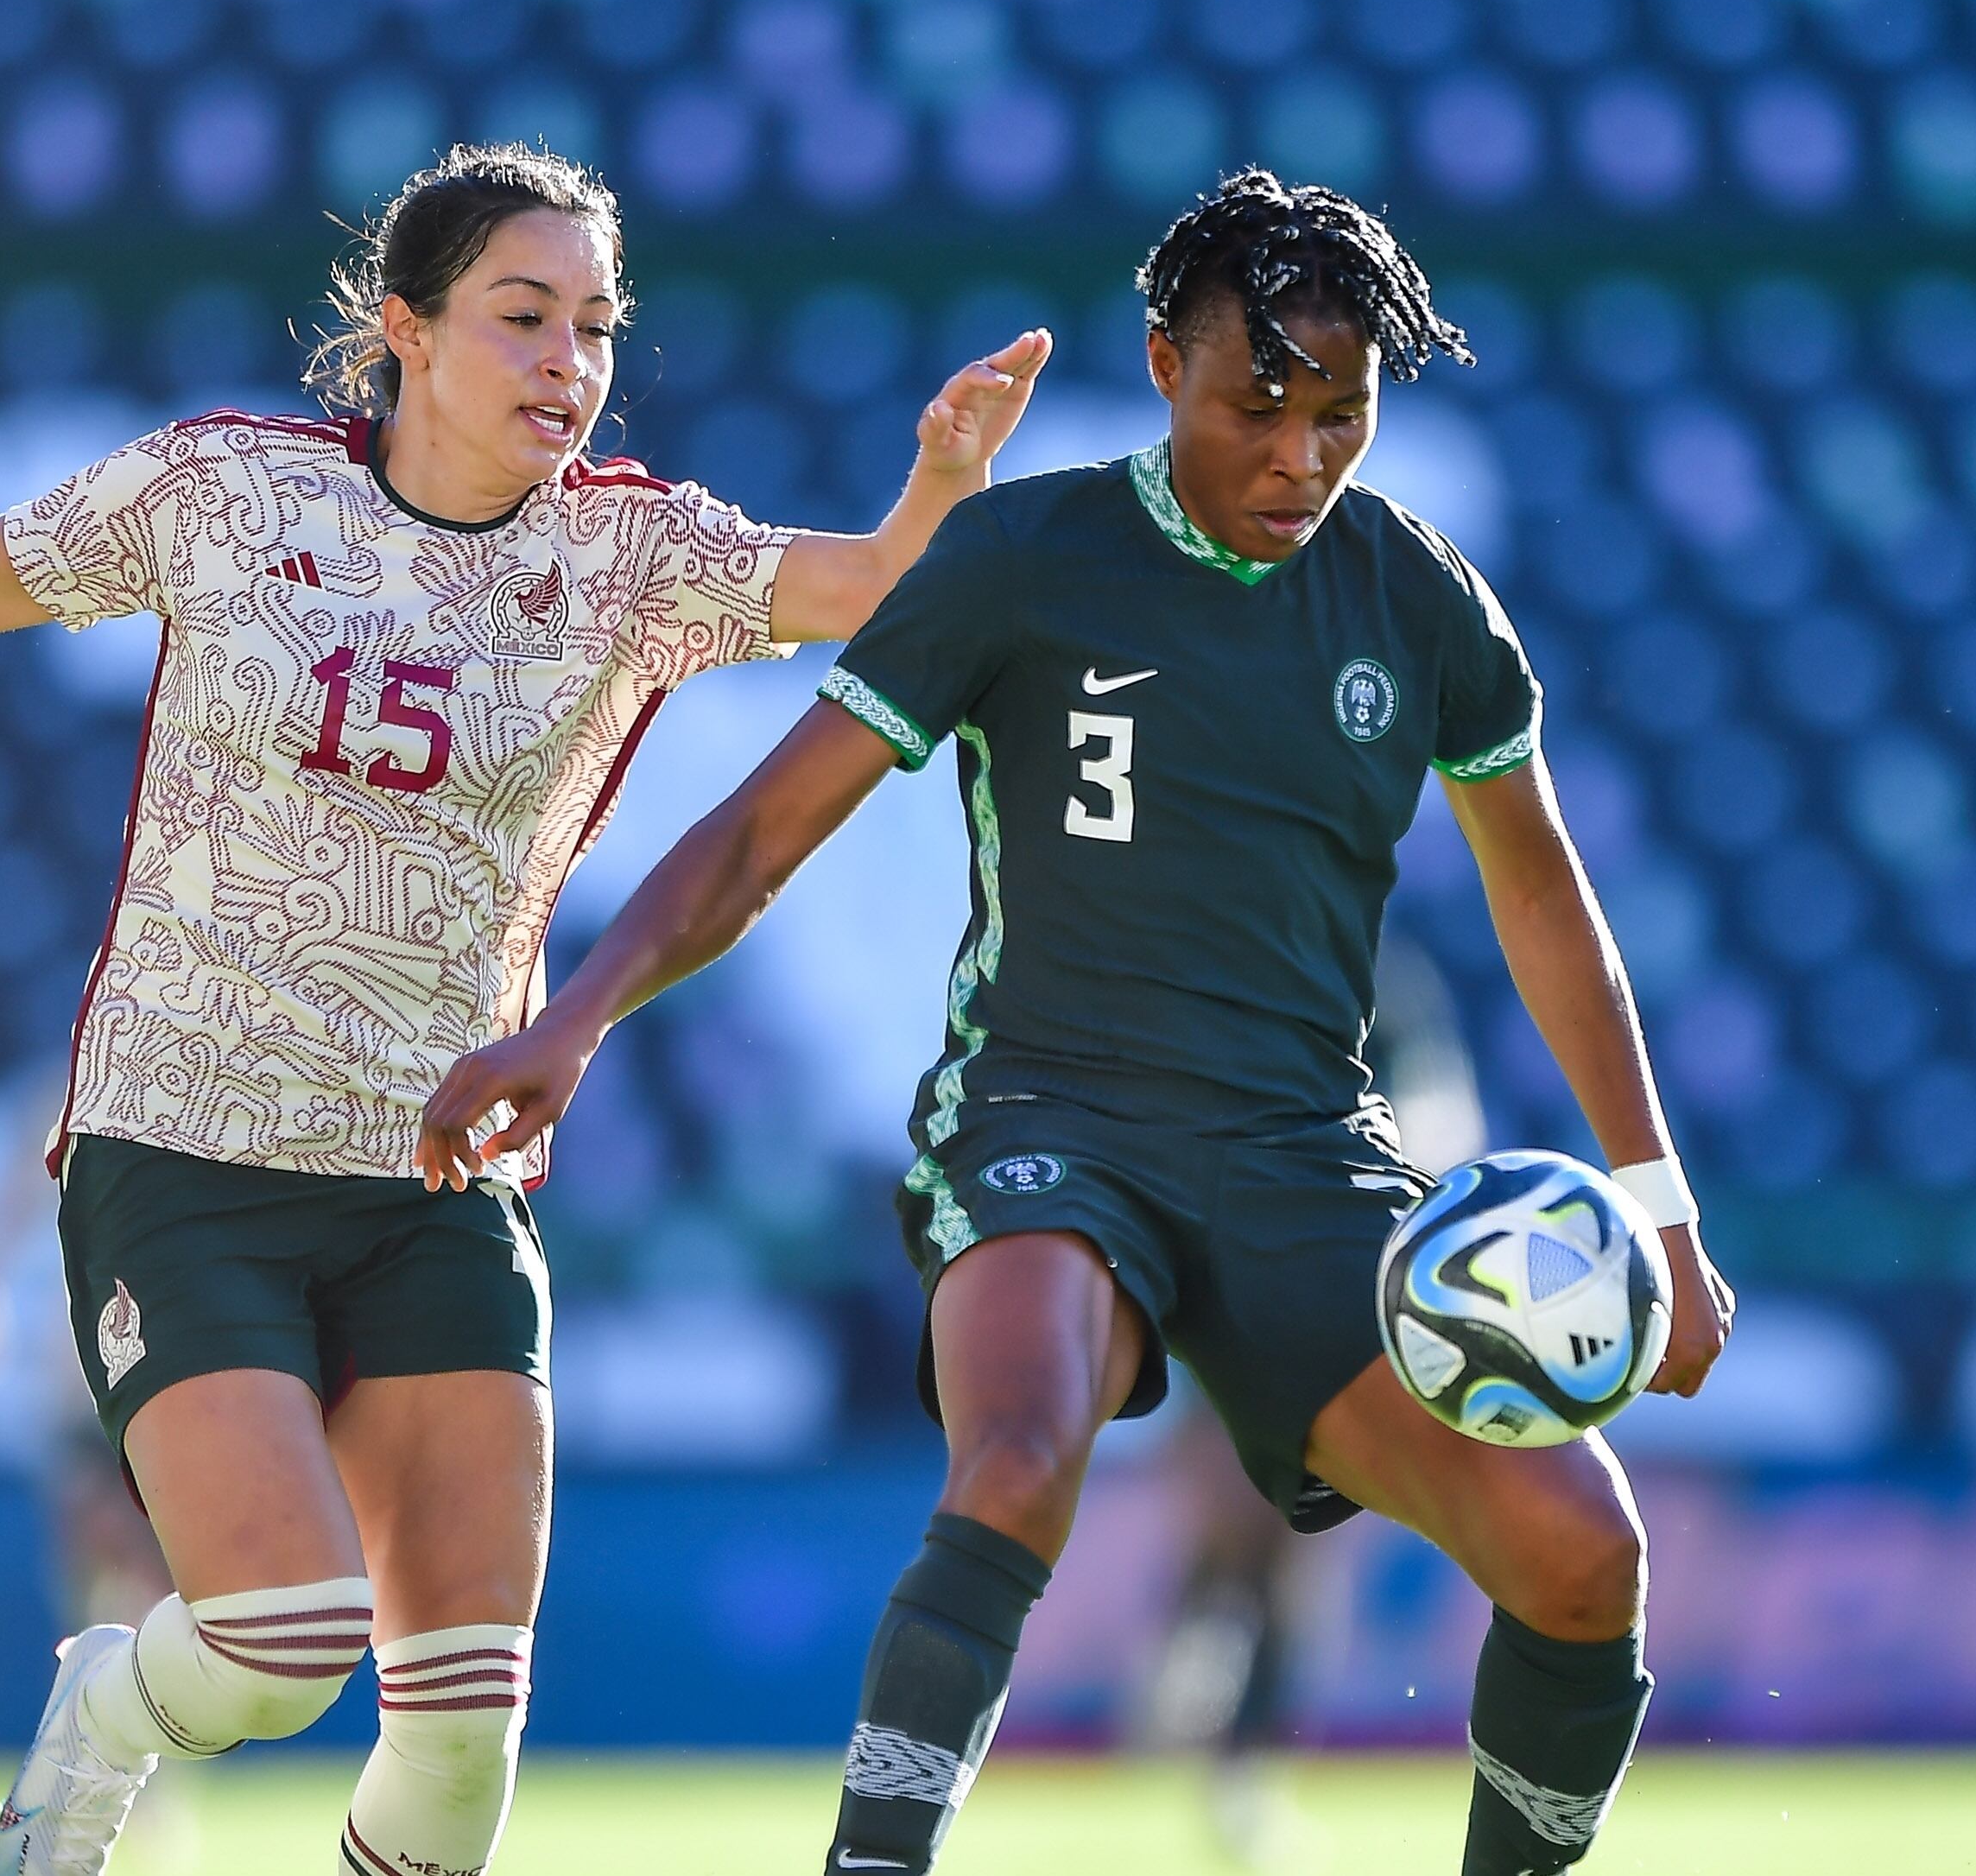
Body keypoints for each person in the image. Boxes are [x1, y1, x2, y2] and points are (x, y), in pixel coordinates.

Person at [0, 142, 1048, 1876]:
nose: (568, 360)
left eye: (595, 327)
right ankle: (102, 1714)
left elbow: (881, 592)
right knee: (278, 1643)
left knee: (465, 1730)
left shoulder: (633, 555)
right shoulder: (226, 497)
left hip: (434, 1176)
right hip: (184, 1153)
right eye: (522, 317)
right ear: (403, 328)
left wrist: (938, 481)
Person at [417, 169, 1732, 1876]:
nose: (1299, 455)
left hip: (1299, 1158)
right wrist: (575, 1021)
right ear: (1164, 361)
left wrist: (1659, 1203)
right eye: (1258, 402)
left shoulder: (1414, 598)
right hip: (1046, 1116)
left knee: (1581, 1557)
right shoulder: (1025, 557)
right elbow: (758, 829)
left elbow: (1543, 900)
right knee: (1020, 1460)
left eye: (1344, 412)